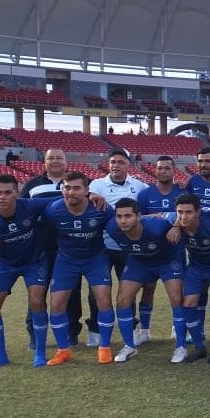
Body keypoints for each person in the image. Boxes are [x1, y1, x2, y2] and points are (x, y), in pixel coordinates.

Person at [0, 175, 50, 369]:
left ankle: (40, 353)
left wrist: (92, 195)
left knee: (37, 301)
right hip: (5, 265)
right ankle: (1, 356)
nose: (2, 197)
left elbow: (62, 198)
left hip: (34, 262)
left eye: (7, 192)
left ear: (17, 193)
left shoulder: (30, 206)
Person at [39, 171, 116, 366]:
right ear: (62, 189)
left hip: (95, 259)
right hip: (66, 260)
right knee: (56, 303)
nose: (71, 192)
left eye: (76, 188)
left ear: (87, 190)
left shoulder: (101, 208)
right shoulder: (53, 210)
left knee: (104, 300)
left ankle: (105, 347)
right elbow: (44, 232)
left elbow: (120, 225)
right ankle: (63, 350)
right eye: (67, 187)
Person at [103, 198, 185, 363]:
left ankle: (181, 346)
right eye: (119, 216)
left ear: (138, 216)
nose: (123, 221)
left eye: (128, 216)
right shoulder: (112, 227)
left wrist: (176, 226)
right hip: (139, 261)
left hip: (167, 261)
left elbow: (179, 214)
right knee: (122, 299)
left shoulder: (156, 225)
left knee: (176, 298)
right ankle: (129, 346)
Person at [87, 148, 150, 348]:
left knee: (127, 290)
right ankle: (95, 330)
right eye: (113, 162)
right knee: (96, 291)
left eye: (121, 162)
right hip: (102, 247)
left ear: (128, 165)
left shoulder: (140, 186)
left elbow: (146, 211)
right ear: (108, 164)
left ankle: (130, 329)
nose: (116, 165)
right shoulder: (96, 184)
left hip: (128, 247)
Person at [21, 147, 81, 347]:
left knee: (71, 292)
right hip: (40, 249)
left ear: (66, 161)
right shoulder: (32, 185)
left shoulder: (76, 183)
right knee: (37, 292)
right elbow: (21, 211)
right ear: (44, 162)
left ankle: (71, 332)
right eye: (51, 158)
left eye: (59, 158)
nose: (55, 161)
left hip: (70, 247)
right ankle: (34, 335)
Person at [169, 192, 210, 364]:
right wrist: (175, 226)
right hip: (196, 267)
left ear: (198, 212)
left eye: (188, 212)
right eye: (180, 212)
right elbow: (153, 216)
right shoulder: (176, 222)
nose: (183, 216)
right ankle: (199, 347)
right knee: (188, 304)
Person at [135, 155, 184, 344]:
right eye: (160, 168)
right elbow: (138, 220)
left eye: (167, 168)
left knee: (176, 292)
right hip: (150, 250)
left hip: (174, 250)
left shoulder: (181, 192)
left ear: (174, 171)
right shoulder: (145, 195)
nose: (163, 171)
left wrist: (177, 226)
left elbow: (188, 213)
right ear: (154, 170)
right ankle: (145, 331)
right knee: (148, 289)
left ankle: (176, 328)